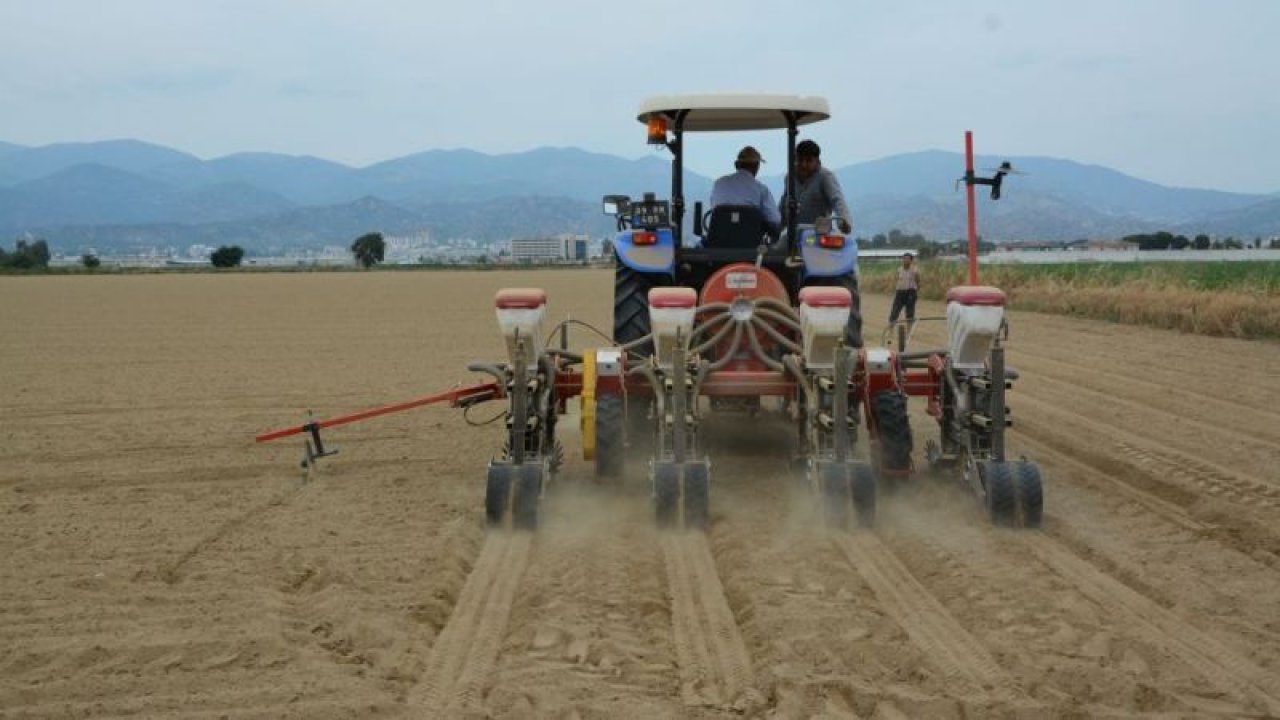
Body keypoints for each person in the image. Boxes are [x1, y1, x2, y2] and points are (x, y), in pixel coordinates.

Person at [780, 139, 853, 234]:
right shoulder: (789, 177)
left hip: (818, 233)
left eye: (808, 160)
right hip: (794, 233)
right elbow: (783, 203)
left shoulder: (825, 177)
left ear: (817, 161)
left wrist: (844, 222)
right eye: (800, 160)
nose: (803, 164)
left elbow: (837, 200)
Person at [709, 146, 782, 234]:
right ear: (757, 167)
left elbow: (714, 209)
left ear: (736, 165)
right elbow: (775, 220)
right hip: (751, 244)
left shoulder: (719, 184)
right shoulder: (761, 190)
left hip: (719, 243)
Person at [889, 252, 921, 324]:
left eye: (908, 259)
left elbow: (918, 282)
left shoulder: (915, 271)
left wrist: (916, 293)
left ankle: (908, 331)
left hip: (911, 292)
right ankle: (891, 329)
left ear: (911, 260)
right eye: (904, 259)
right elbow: (896, 280)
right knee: (894, 311)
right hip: (900, 292)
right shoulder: (899, 270)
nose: (906, 260)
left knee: (910, 313)